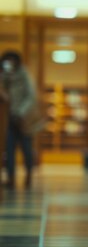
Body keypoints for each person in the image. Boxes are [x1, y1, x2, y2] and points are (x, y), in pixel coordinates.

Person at [1, 51, 37, 189]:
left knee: (26, 149)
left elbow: (31, 97)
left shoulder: (25, 76)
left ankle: (29, 174)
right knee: (9, 150)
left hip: (23, 120)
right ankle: (11, 178)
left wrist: (21, 112)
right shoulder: (4, 76)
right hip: (8, 119)